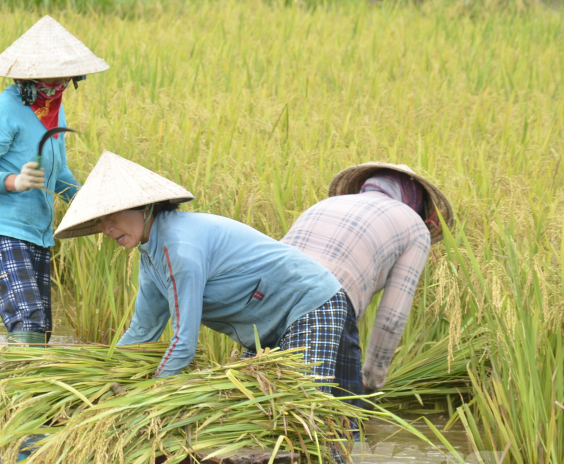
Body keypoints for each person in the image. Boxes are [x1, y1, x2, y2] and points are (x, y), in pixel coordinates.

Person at [54, 151, 348, 391]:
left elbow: (183, 343)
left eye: (110, 217)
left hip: (310, 304)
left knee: (304, 409)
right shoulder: (151, 255)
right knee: (253, 405)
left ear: (143, 207)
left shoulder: (178, 248)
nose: (105, 229)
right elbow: (143, 330)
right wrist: (105, 375)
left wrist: (151, 394)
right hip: (267, 326)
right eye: (98, 222)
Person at [0, 16, 109, 346]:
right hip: (0, 228)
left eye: (66, 73)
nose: (61, 80)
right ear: (29, 72)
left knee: (42, 327)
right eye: (53, 72)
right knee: (27, 319)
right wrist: (14, 181)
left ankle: (28, 389)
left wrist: (90, 201)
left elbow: (57, 173)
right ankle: (13, 393)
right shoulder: (3, 111)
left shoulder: (55, 111)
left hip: (37, 232)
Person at [281, 163, 455, 402]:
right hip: (327, 300)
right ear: (415, 201)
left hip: (267, 291)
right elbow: (392, 318)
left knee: (268, 400)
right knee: (339, 422)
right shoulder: (415, 226)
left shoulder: (323, 204)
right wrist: (371, 381)